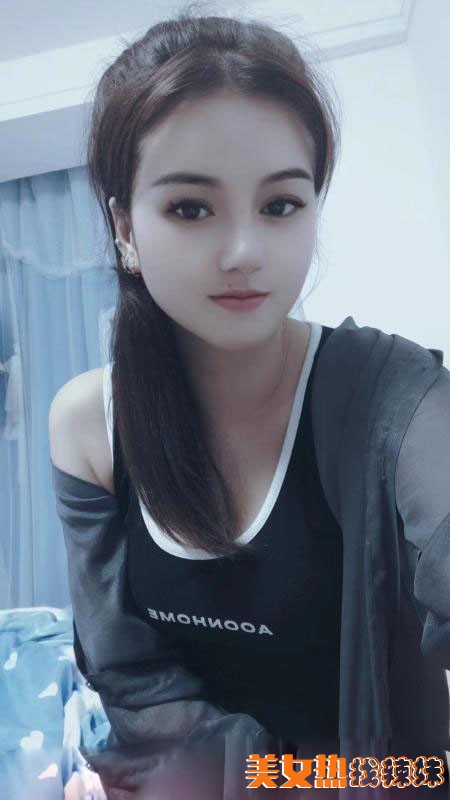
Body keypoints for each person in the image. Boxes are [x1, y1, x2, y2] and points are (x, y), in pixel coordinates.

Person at [49, 6, 450, 799]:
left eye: (280, 205)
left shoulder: (394, 398)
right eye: (191, 208)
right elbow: (130, 678)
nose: (244, 252)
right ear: (124, 227)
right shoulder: (91, 425)